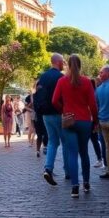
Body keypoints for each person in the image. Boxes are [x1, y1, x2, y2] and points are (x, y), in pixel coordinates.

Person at [52, 54, 98, 198]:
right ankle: (86, 183)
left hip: (69, 120)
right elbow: (93, 104)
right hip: (84, 120)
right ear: (80, 65)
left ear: (67, 66)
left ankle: (74, 187)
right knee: (84, 152)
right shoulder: (86, 82)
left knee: (72, 153)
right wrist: (95, 120)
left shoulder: (62, 81)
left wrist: (63, 110)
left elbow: (54, 101)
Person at [38, 53, 67, 186]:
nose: (64, 64)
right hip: (58, 113)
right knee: (65, 142)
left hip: (45, 114)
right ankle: (68, 170)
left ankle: (48, 168)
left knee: (52, 142)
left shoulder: (43, 77)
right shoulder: (61, 77)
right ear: (58, 62)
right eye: (63, 62)